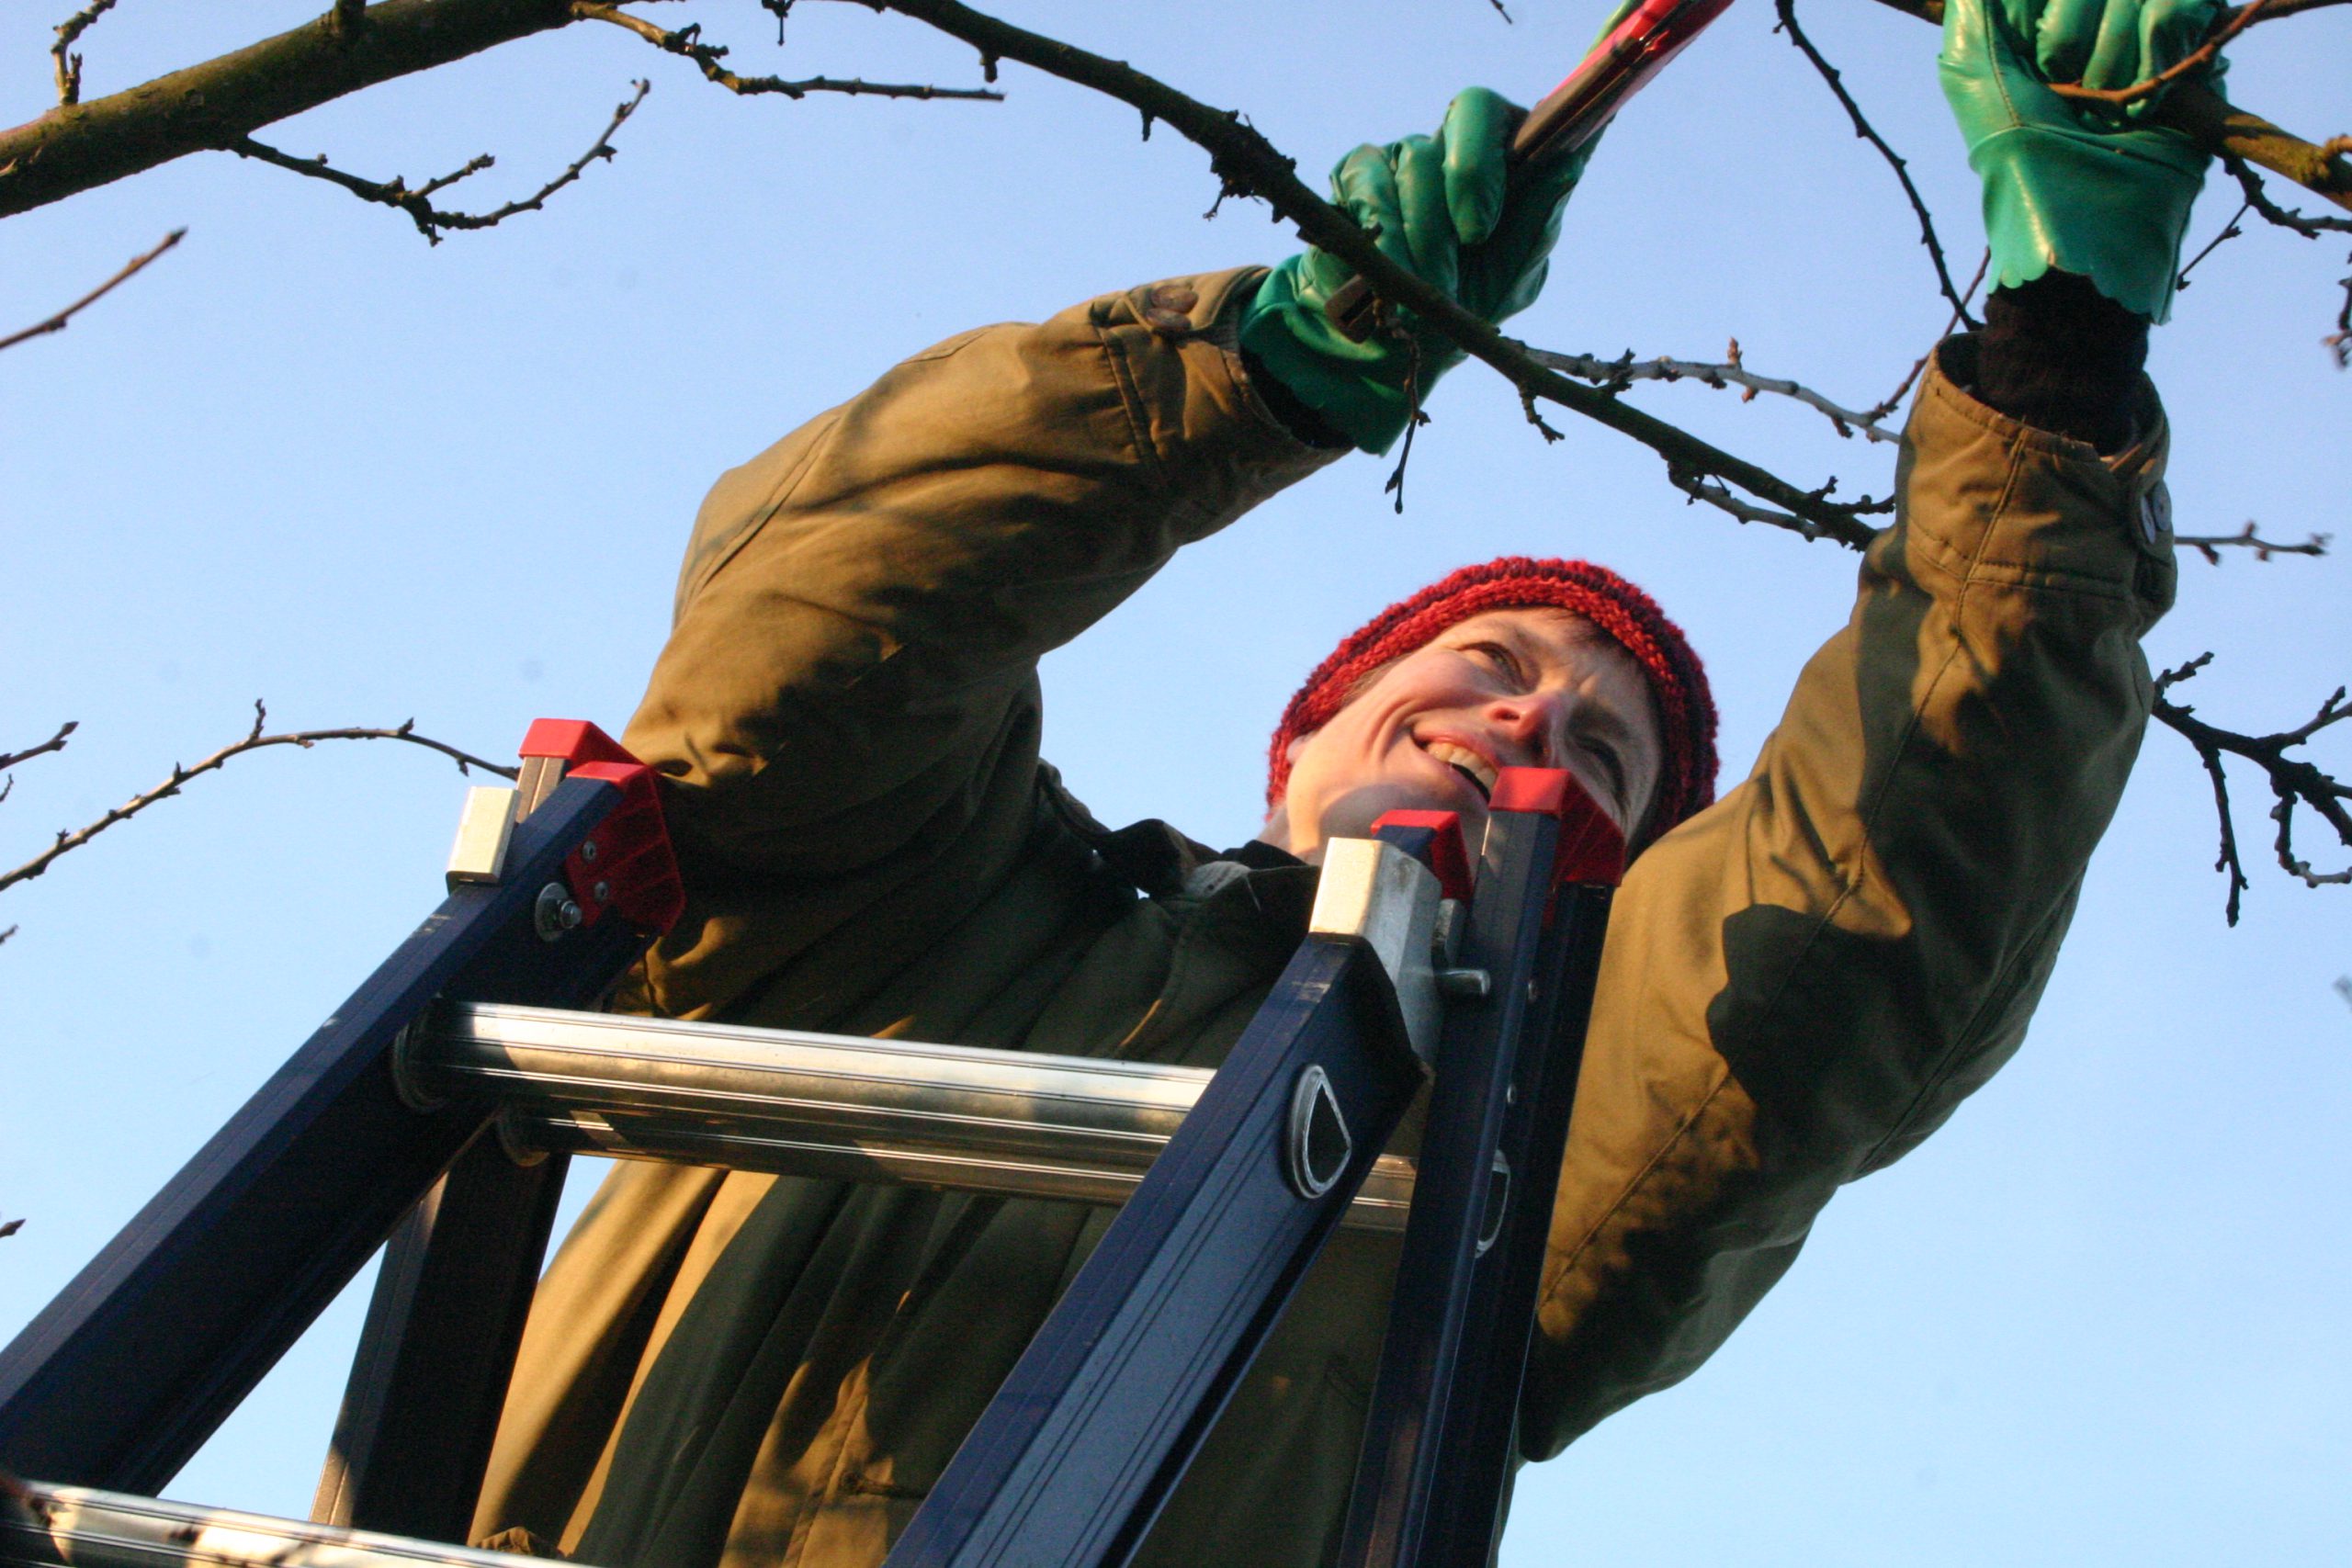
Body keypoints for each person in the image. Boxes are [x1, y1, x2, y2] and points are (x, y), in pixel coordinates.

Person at [471, 0, 2213, 1560]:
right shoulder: (938, 916)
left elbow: (1853, 915)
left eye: (1603, 757)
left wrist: (2053, 373)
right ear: (1304, 739)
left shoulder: (1532, 1147)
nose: (1533, 724)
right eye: (1494, 666)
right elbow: (805, 639)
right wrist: (1263, 367)